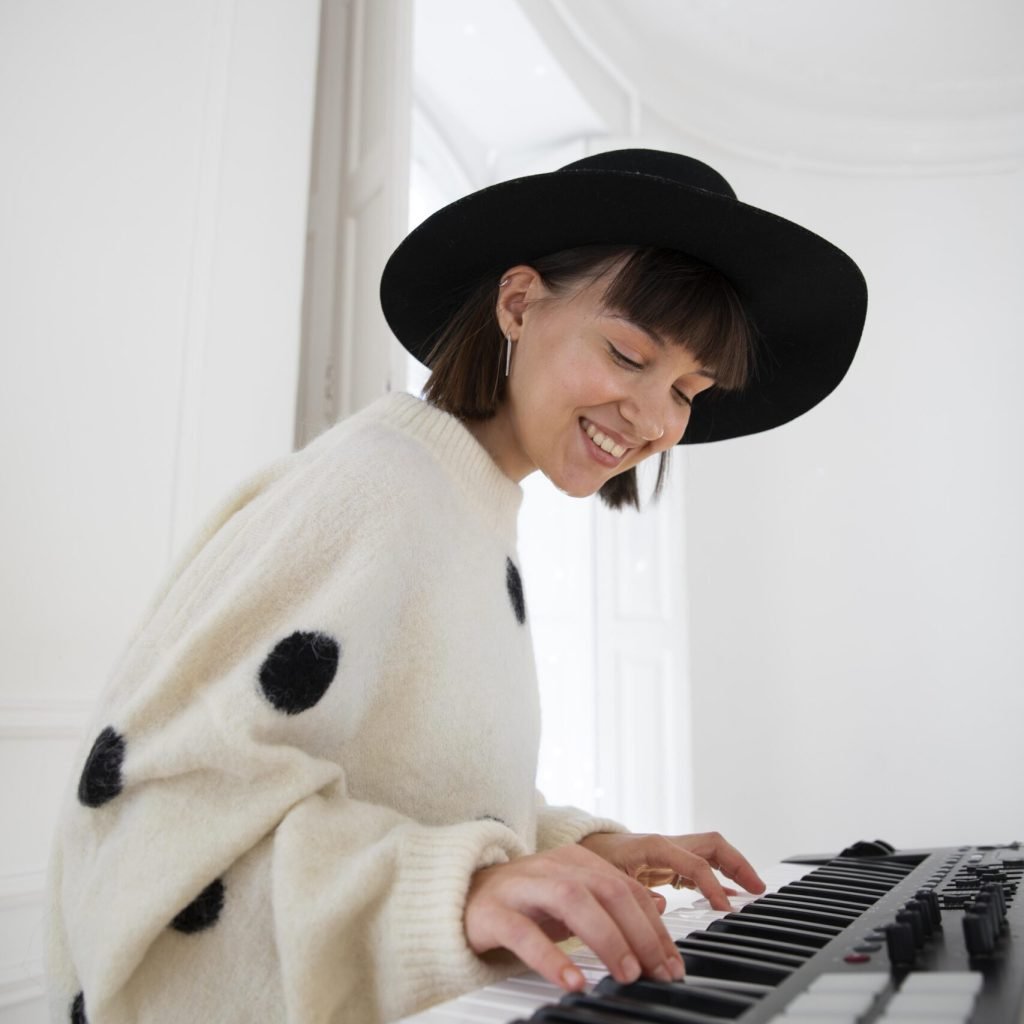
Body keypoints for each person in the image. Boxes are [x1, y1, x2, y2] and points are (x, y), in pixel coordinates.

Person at [45, 149, 867, 1024]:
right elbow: (156, 798)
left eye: (687, 391)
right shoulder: (379, 485)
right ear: (518, 303)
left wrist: (583, 850)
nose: (660, 421)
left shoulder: (467, 508)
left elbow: (403, 785)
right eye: (630, 355)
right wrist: (456, 894)